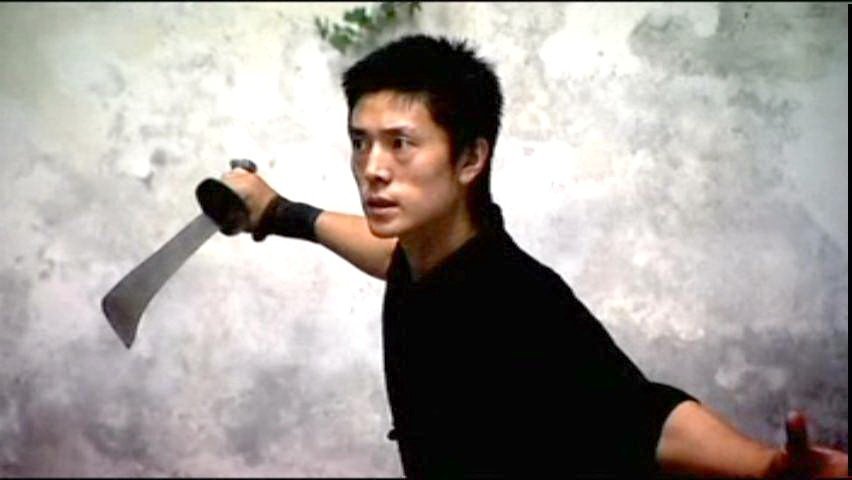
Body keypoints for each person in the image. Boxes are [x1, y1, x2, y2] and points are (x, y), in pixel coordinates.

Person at [222, 35, 848, 477]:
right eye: (361, 143)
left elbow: (644, 417)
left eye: (400, 144)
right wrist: (281, 214)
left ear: (471, 158)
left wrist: (762, 466)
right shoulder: (425, 254)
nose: (372, 168)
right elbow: (385, 253)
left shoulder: (518, 302)